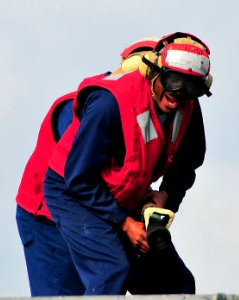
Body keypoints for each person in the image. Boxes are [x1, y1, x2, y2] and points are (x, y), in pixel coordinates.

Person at [43, 32, 212, 295]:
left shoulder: (188, 106)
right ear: (156, 73)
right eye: (173, 80)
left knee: (175, 281)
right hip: (73, 192)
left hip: (125, 195)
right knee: (111, 271)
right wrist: (125, 224)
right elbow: (78, 178)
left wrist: (166, 195)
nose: (178, 93)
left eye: (190, 86)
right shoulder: (110, 104)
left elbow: (187, 163)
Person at [15, 38, 158, 296]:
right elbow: (83, 175)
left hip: (99, 211)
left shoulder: (144, 112)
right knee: (69, 293)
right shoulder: (90, 109)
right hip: (48, 220)